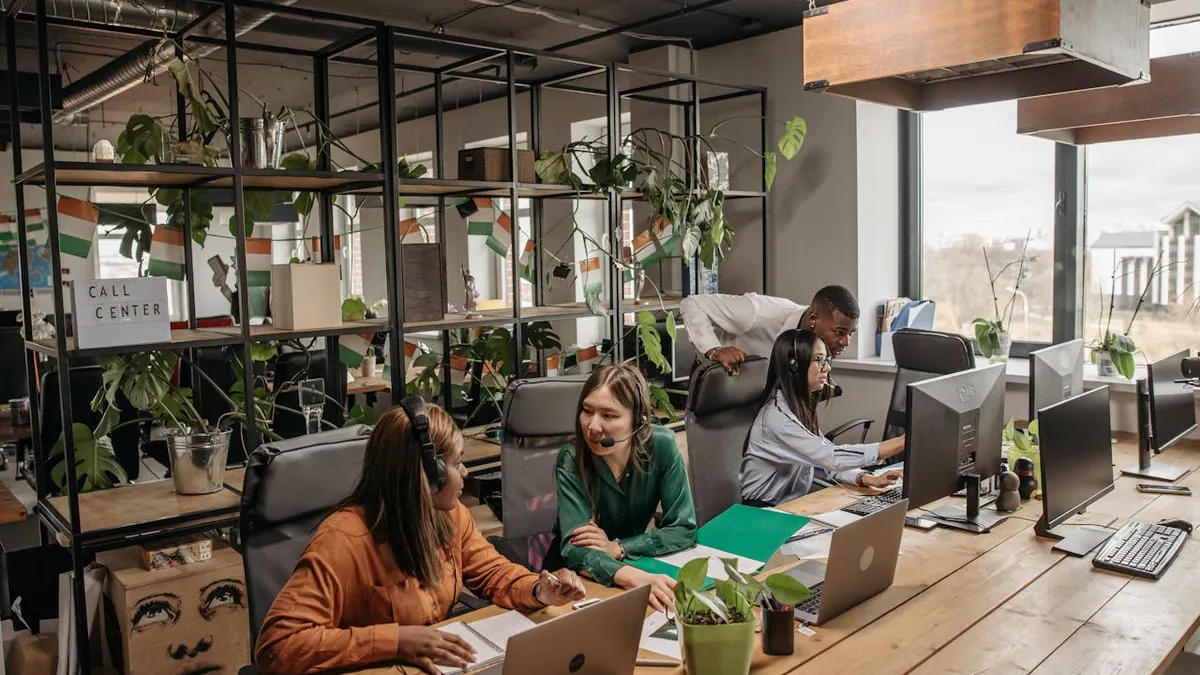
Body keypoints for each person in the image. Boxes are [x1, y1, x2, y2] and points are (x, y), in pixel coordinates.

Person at [254, 400, 587, 675]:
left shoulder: (448, 515)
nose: (466, 473)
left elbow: (492, 572)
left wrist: (538, 590)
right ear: (428, 477)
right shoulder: (341, 541)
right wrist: (395, 640)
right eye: (458, 463)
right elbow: (277, 647)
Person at [545, 364, 697, 612]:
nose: (593, 427)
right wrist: (633, 576)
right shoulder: (572, 459)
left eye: (608, 415)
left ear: (637, 419)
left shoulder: (662, 446)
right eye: (587, 411)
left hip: (630, 567)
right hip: (575, 583)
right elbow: (575, 551)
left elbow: (683, 527)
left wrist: (618, 547)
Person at [741, 329, 905, 506]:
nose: (827, 367)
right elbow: (831, 457)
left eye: (826, 359)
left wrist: (864, 478)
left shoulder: (797, 407)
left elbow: (822, 462)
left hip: (790, 506)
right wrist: (900, 442)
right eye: (818, 360)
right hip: (760, 512)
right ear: (794, 365)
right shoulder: (776, 419)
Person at [680, 285, 860, 375]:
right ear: (813, 319)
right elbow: (693, 303)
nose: (846, 342)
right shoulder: (758, 313)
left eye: (851, 333)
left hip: (766, 402)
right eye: (839, 333)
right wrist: (715, 350)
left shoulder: (821, 343)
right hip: (721, 384)